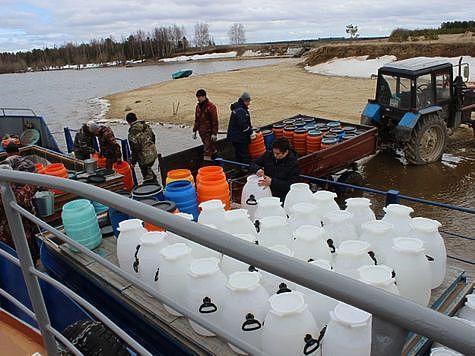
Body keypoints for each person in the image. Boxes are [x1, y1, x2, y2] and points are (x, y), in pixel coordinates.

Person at [0, 157, 39, 262]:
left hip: (17, 230)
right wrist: (34, 183)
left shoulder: (6, 183)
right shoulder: (10, 192)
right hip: (12, 234)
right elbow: (22, 199)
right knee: (22, 258)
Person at [250, 137, 300, 202]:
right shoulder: (268, 155)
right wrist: (257, 169)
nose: (275, 155)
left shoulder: (293, 164)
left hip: (282, 197)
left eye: (278, 154)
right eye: (274, 152)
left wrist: (272, 182)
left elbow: (291, 185)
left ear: (286, 152)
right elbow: (252, 163)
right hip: (266, 192)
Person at [126, 112, 158, 184]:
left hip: (145, 157)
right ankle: (154, 181)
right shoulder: (145, 126)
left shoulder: (132, 133)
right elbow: (153, 136)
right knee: (149, 170)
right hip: (153, 152)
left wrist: (132, 162)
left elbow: (135, 149)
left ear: (128, 122)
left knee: (147, 176)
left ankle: (153, 187)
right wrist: (151, 147)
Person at [227, 92, 257, 164]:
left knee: (239, 154)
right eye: (248, 101)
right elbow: (243, 125)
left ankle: (240, 168)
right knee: (244, 155)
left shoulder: (237, 108)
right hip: (239, 138)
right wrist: (251, 132)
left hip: (235, 137)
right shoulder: (241, 111)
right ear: (245, 101)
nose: (249, 104)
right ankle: (246, 169)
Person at [192, 89, 219, 160]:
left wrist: (214, 133)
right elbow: (197, 120)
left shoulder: (211, 107)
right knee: (211, 149)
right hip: (202, 133)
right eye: (197, 97)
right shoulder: (198, 107)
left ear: (204, 97)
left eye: (199, 97)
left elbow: (214, 121)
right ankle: (217, 162)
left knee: (207, 152)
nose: (198, 99)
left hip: (209, 133)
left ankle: (207, 167)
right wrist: (194, 130)